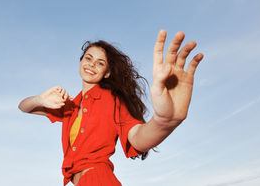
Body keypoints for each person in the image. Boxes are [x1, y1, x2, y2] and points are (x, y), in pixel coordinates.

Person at [18, 30, 204, 186]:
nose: (92, 64)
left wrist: (165, 122)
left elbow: (136, 137)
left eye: (100, 63)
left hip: (98, 180)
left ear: (107, 73)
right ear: (80, 61)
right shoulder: (70, 105)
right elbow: (24, 107)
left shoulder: (112, 100)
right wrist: (40, 99)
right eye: (88, 58)